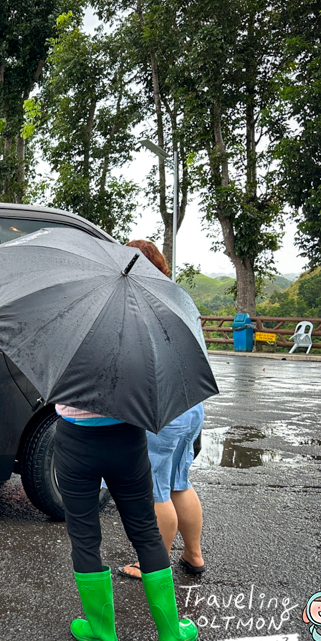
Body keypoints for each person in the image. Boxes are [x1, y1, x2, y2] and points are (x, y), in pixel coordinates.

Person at [54, 242, 198, 641]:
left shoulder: (72, 309)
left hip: (74, 440)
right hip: (126, 439)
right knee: (145, 531)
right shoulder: (152, 321)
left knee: (84, 535)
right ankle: (171, 634)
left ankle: (102, 631)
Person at [119, 240, 206, 580]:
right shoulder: (179, 298)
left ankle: (151, 564)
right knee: (179, 483)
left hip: (161, 411)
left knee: (155, 490)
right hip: (190, 405)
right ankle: (193, 554)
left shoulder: (139, 302)